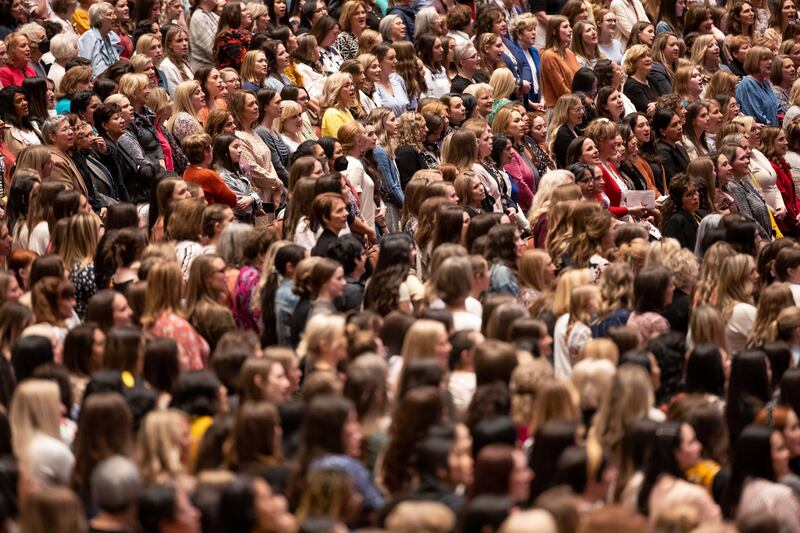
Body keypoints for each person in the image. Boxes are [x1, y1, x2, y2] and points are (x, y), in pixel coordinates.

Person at [77, 2, 121, 76]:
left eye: (114, 14)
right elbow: (85, 68)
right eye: (110, 14)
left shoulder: (110, 37)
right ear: (98, 19)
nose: (115, 17)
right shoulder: (89, 38)